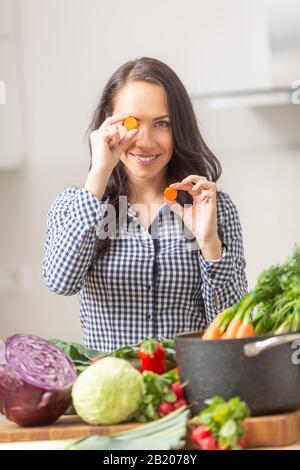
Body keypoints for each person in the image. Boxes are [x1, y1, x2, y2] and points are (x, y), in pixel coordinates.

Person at [42, 57, 248, 352]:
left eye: (162, 124)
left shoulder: (214, 208)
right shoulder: (74, 205)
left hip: (184, 389)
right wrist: (98, 174)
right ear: (107, 124)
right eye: (130, 123)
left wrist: (209, 244)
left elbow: (233, 329)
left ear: (179, 130)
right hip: (113, 389)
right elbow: (61, 281)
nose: (146, 142)